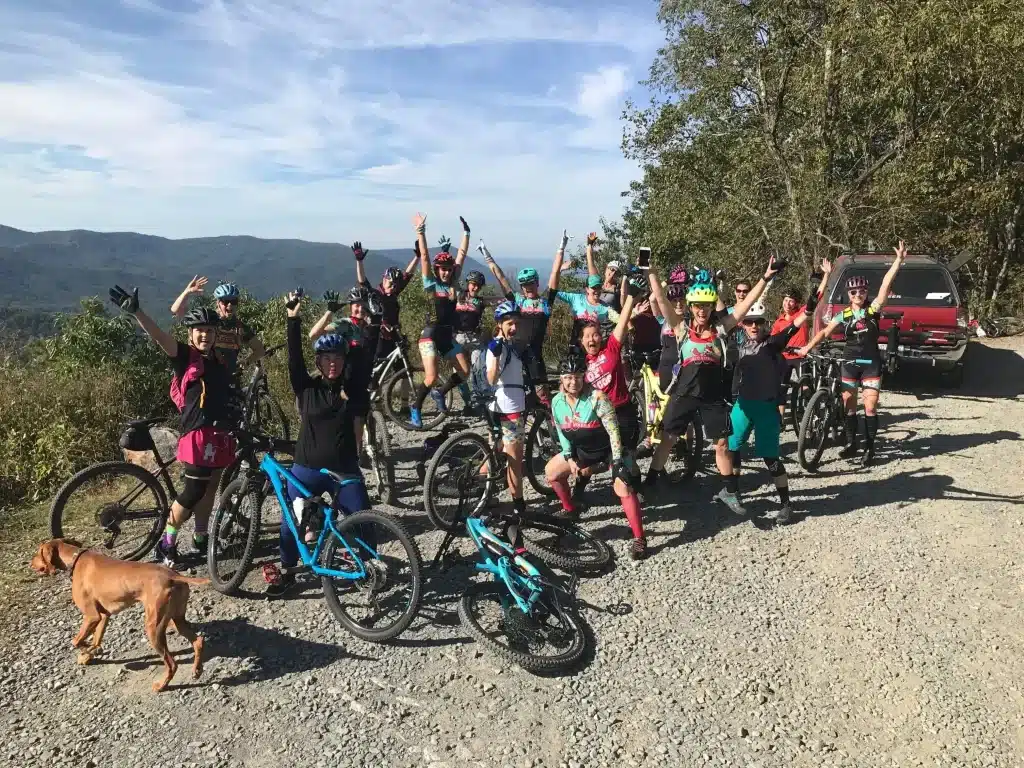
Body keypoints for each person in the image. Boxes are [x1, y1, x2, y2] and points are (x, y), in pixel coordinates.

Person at [109, 286, 237, 568]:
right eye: (199, 330)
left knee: (211, 488)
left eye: (210, 330)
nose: (205, 335)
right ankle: (166, 543)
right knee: (191, 493)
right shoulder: (185, 356)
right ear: (190, 333)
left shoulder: (218, 360)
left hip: (218, 434)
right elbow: (158, 336)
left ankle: (201, 537)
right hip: (196, 435)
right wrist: (137, 312)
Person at [644, 257, 782, 516]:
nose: (702, 310)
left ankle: (729, 491)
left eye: (707, 305)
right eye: (698, 305)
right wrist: (651, 273)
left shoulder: (721, 328)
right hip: (684, 392)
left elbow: (745, 305)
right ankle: (650, 482)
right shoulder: (681, 327)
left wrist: (765, 277)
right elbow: (661, 300)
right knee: (668, 439)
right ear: (690, 305)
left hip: (712, 396)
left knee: (722, 443)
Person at [272, 291, 369, 596]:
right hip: (306, 469)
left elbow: (365, 359)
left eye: (338, 357)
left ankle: (369, 569)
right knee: (291, 522)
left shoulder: (351, 387)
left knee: (364, 518)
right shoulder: (306, 387)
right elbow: (293, 358)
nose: (332, 363)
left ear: (344, 360)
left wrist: (375, 323)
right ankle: (287, 572)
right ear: (318, 360)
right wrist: (292, 319)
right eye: (327, 358)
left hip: (344, 468)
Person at [798, 241, 908, 466]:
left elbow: (885, 285)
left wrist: (898, 261)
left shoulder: (872, 309)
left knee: (869, 406)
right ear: (848, 294)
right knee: (849, 405)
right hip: (849, 362)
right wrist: (808, 347)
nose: (858, 294)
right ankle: (851, 443)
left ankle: (869, 448)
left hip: (870, 363)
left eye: (862, 291)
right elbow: (826, 332)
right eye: (854, 291)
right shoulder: (843, 314)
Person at [545, 354, 647, 560]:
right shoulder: (557, 401)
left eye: (578, 377)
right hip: (582, 450)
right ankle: (570, 508)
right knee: (552, 472)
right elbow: (562, 433)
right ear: (561, 379)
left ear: (584, 377)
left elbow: (614, 433)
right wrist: (569, 457)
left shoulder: (597, 397)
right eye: (568, 377)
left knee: (623, 487)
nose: (573, 382)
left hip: (608, 450)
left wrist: (617, 461)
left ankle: (640, 538)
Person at [729, 289, 818, 524]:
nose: (754, 326)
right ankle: (734, 493)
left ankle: (786, 504)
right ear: (743, 325)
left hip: (766, 408)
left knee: (771, 458)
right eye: (749, 322)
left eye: (758, 322)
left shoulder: (773, 343)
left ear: (764, 323)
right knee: (731, 449)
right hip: (742, 404)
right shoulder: (736, 345)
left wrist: (808, 307)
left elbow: (795, 325)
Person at [483, 237, 566, 407]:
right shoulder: (518, 302)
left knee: (543, 397)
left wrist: (561, 247)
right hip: (515, 354)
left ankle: (546, 427)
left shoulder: (545, 303)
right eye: (524, 285)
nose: (528, 287)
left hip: (535, 356)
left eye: (531, 284)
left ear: (537, 283)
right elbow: (501, 278)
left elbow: (554, 273)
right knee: (514, 392)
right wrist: (487, 255)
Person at [580, 275, 644, 490]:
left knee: (627, 462)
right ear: (581, 341)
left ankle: (636, 483)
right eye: (587, 337)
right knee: (589, 462)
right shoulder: (579, 366)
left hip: (622, 413)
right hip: (598, 418)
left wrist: (630, 299)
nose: (592, 340)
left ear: (601, 336)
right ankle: (580, 490)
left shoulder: (612, 349)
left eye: (595, 335)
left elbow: (623, 321)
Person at [409, 214, 473, 428]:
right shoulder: (430, 284)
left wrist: (466, 233)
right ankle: (415, 406)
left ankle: (441, 393)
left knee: (465, 372)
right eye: (442, 269)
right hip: (430, 335)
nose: (445, 272)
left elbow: (461, 256)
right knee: (431, 375)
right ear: (437, 270)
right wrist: (421, 232)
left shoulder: (453, 285)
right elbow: (425, 257)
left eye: (448, 269)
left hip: (447, 335)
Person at [770, 261, 831, 422]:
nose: (787, 303)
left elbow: (817, 296)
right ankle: (780, 419)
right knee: (781, 389)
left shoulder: (801, 314)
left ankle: (812, 414)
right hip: (784, 357)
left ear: (796, 303)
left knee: (806, 387)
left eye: (791, 300)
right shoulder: (778, 321)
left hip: (801, 355)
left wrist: (826, 275)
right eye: (785, 300)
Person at [170, 279, 265, 379]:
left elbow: (259, 349)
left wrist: (246, 362)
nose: (230, 305)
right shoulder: (206, 320)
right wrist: (187, 292)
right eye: (225, 301)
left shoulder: (240, 328)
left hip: (228, 380)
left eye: (233, 301)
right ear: (218, 303)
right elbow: (175, 310)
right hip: (201, 377)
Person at [485, 301, 529, 514]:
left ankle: (479, 486)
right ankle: (518, 505)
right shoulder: (498, 346)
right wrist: (494, 354)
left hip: (501, 407)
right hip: (508, 409)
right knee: (514, 460)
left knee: (496, 452)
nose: (514, 328)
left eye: (516, 324)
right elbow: (491, 377)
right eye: (510, 323)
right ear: (500, 324)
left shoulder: (509, 346)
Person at [453, 270, 488, 410]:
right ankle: (467, 401)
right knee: (459, 371)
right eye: (473, 284)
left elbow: (498, 299)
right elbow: (453, 278)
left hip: (474, 338)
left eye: (478, 286)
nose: (475, 288)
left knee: (477, 368)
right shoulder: (458, 295)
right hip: (457, 337)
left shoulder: (481, 301)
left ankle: (477, 399)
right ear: (468, 284)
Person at [585, 232, 625, 315]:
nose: (613, 273)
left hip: (611, 325)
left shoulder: (619, 289)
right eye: (611, 269)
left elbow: (621, 295)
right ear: (606, 269)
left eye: (616, 272)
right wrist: (589, 245)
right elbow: (591, 264)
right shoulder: (597, 284)